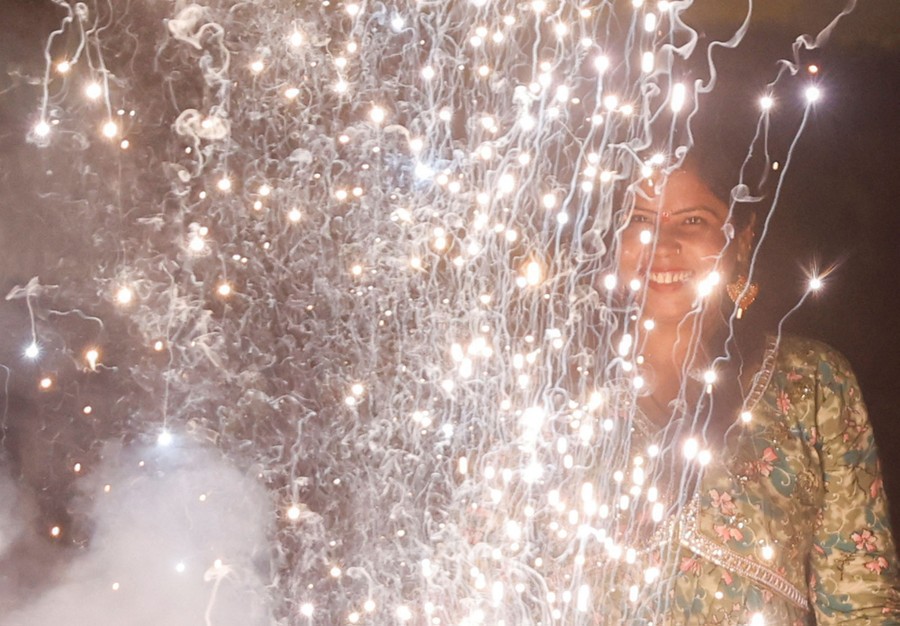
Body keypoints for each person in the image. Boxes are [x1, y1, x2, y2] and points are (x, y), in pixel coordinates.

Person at [609, 153, 900, 624]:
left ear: (742, 238)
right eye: (639, 218)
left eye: (693, 220)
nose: (661, 244)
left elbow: (862, 598)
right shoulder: (556, 390)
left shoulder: (811, 383)